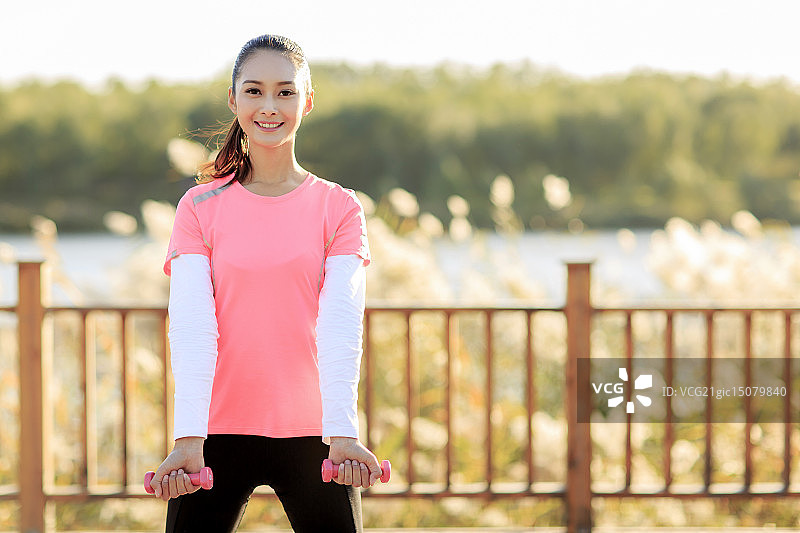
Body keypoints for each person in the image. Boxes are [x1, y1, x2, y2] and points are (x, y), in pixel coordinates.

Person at [150, 34, 381, 533]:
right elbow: (192, 327)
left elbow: (341, 325)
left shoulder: (340, 207)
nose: (269, 106)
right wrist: (188, 438)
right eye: (254, 91)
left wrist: (342, 433)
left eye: (285, 91)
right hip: (214, 433)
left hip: (317, 434)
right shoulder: (199, 207)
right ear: (233, 101)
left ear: (307, 101)